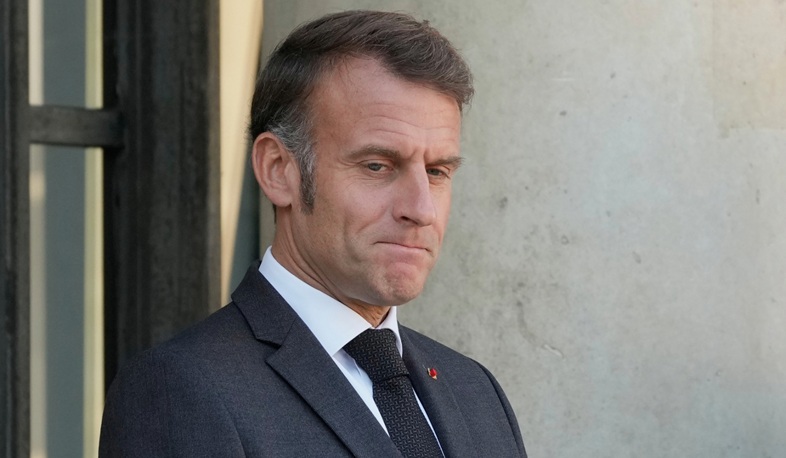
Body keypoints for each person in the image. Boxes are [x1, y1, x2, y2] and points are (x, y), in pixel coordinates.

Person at [99, 10, 526, 457]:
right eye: (377, 166)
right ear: (278, 170)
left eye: (437, 171)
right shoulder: (183, 390)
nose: (421, 210)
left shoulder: (475, 391)